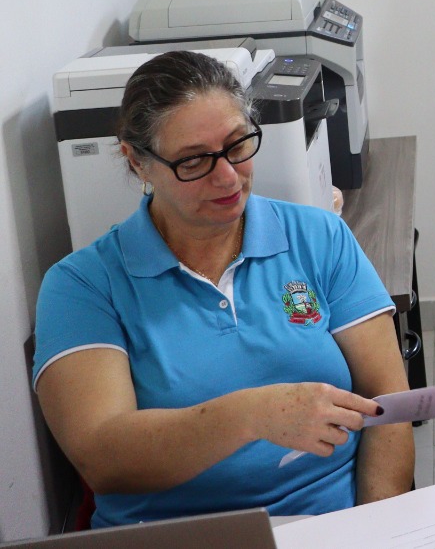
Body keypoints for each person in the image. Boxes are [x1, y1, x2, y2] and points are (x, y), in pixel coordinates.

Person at [32, 51, 412, 527]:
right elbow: (104, 458)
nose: (228, 176)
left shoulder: (319, 237)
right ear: (138, 163)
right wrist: (253, 415)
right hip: (174, 536)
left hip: (326, 526)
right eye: (194, 161)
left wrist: (377, 529)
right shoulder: (83, 286)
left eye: (237, 145)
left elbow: (388, 402)